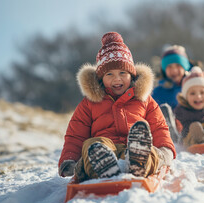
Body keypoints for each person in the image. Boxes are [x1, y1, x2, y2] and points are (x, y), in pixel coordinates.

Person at [58, 32, 176, 182]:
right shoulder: (90, 103)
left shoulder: (144, 100)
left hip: (134, 147)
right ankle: (104, 165)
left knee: (149, 151)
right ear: (101, 78)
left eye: (122, 72)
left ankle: (138, 162)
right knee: (92, 145)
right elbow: (76, 134)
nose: (117, 79)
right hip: (104, 150)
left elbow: (159, 128)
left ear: (131, 75)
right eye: (109, 74)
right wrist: (69, 158)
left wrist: (165, 151)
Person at [151, 45, 193, 143]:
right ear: (164, 70)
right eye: (169, 67)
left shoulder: (193, 87)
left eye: (178, 66)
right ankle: (170, 132)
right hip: (167, 127)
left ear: (185, 66)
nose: (174, 70)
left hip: (191, 123)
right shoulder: (159, 91)